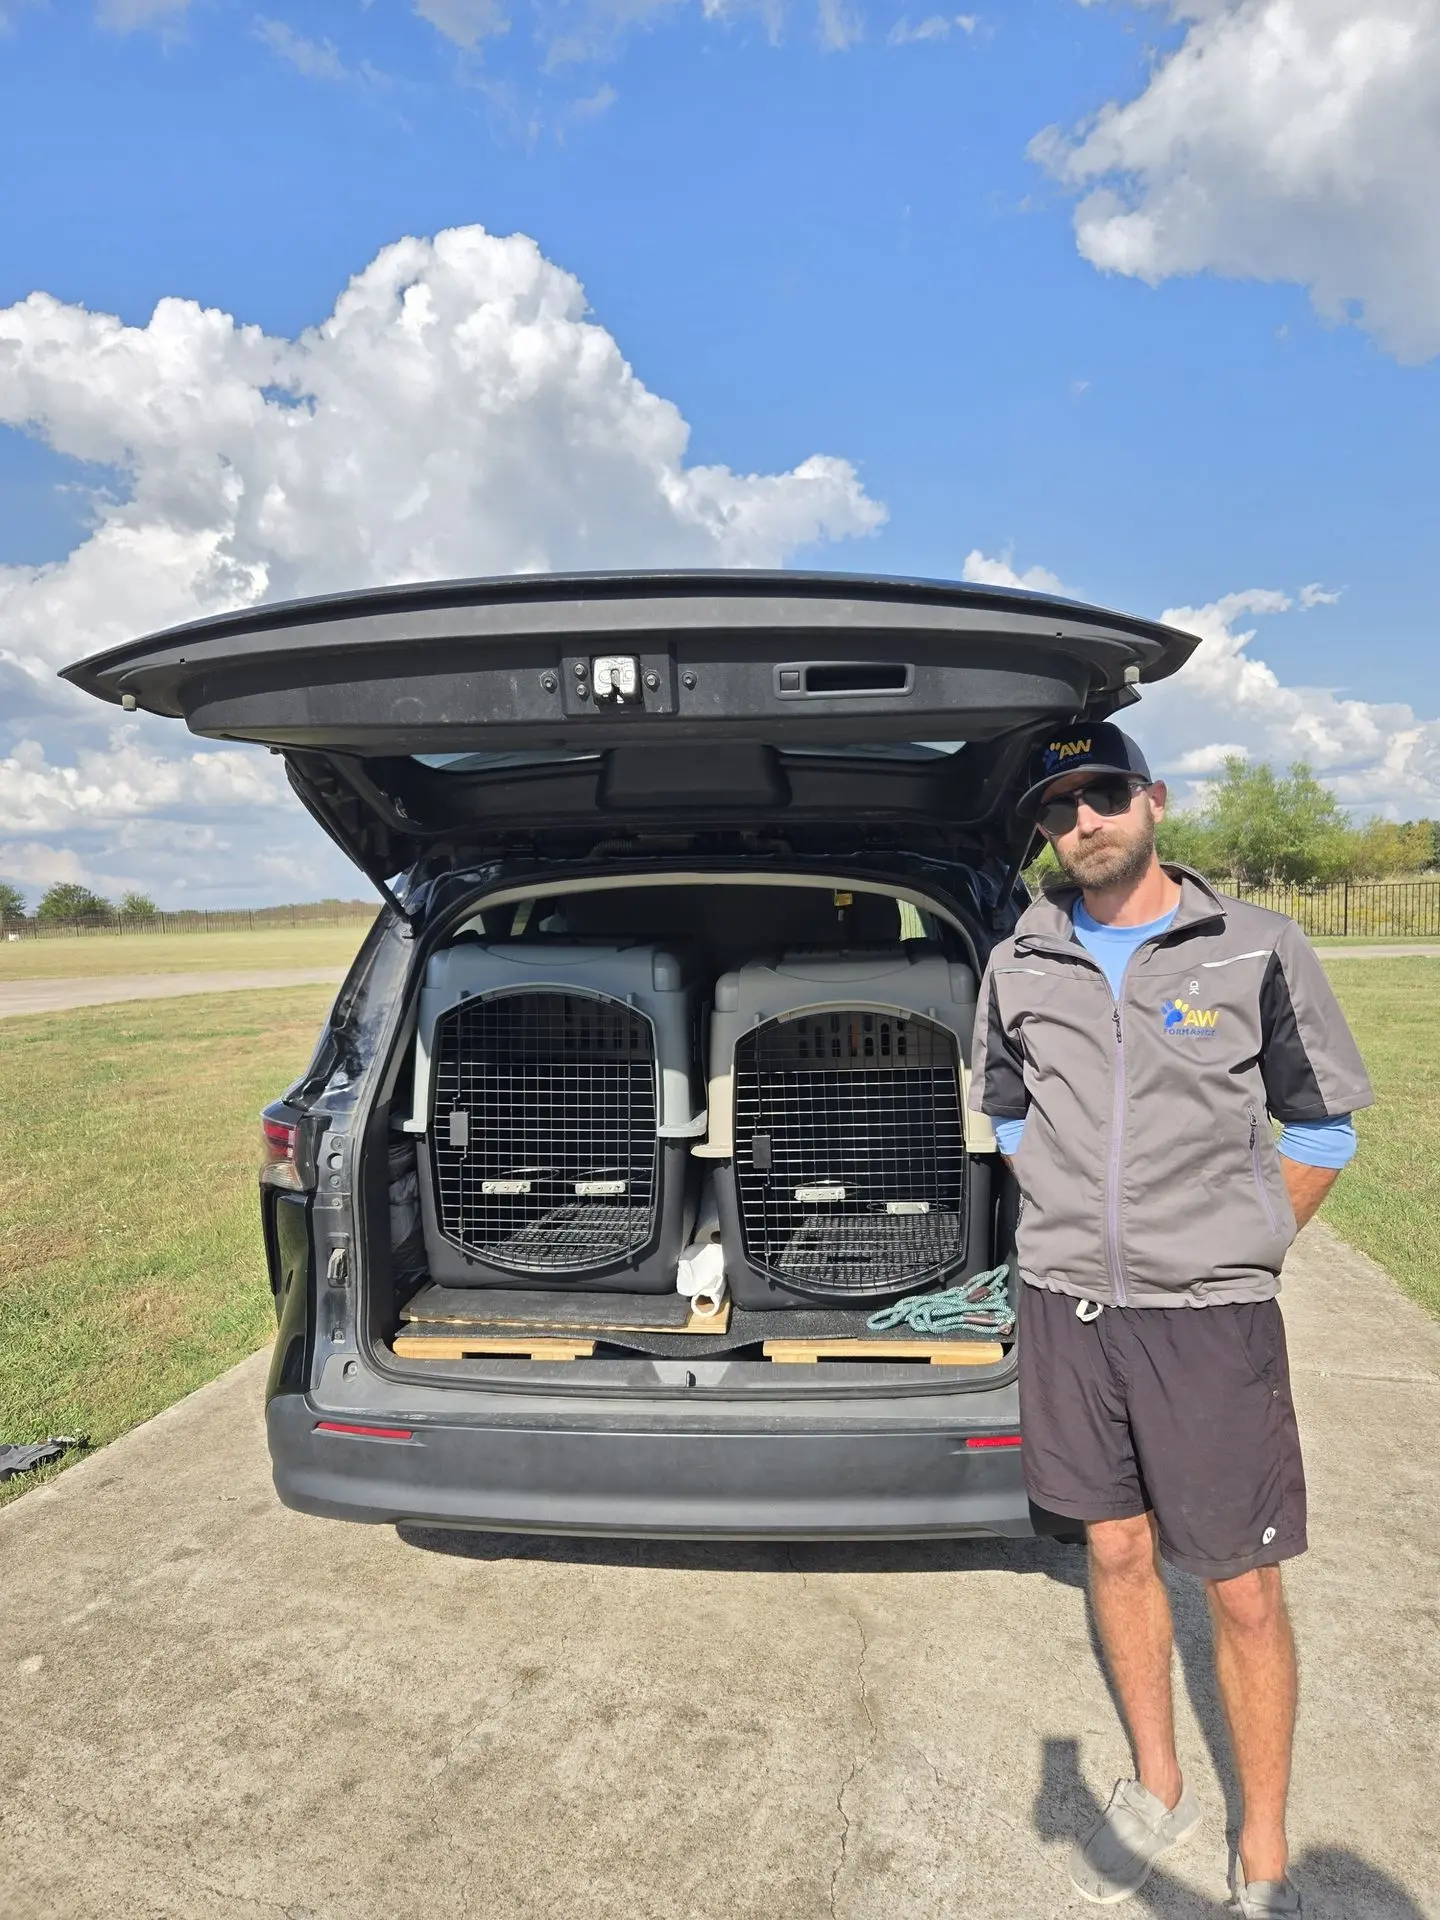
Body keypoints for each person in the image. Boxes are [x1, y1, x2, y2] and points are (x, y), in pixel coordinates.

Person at [969, 725, 1373, 1917]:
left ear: (1152, 799)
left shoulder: (1255, 948)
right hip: (1065, 1308)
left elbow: (1324, 1129)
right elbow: (999, 1105)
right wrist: (1058, 1204)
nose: (1079, 821)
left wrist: (1244, 1242)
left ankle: (1263, 1855)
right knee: (1115, 1547)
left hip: (1209, 1318)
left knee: (1242, 1587)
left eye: (1099, 793)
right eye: (1056, 807)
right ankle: (1159, 1785)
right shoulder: (1019, 961)